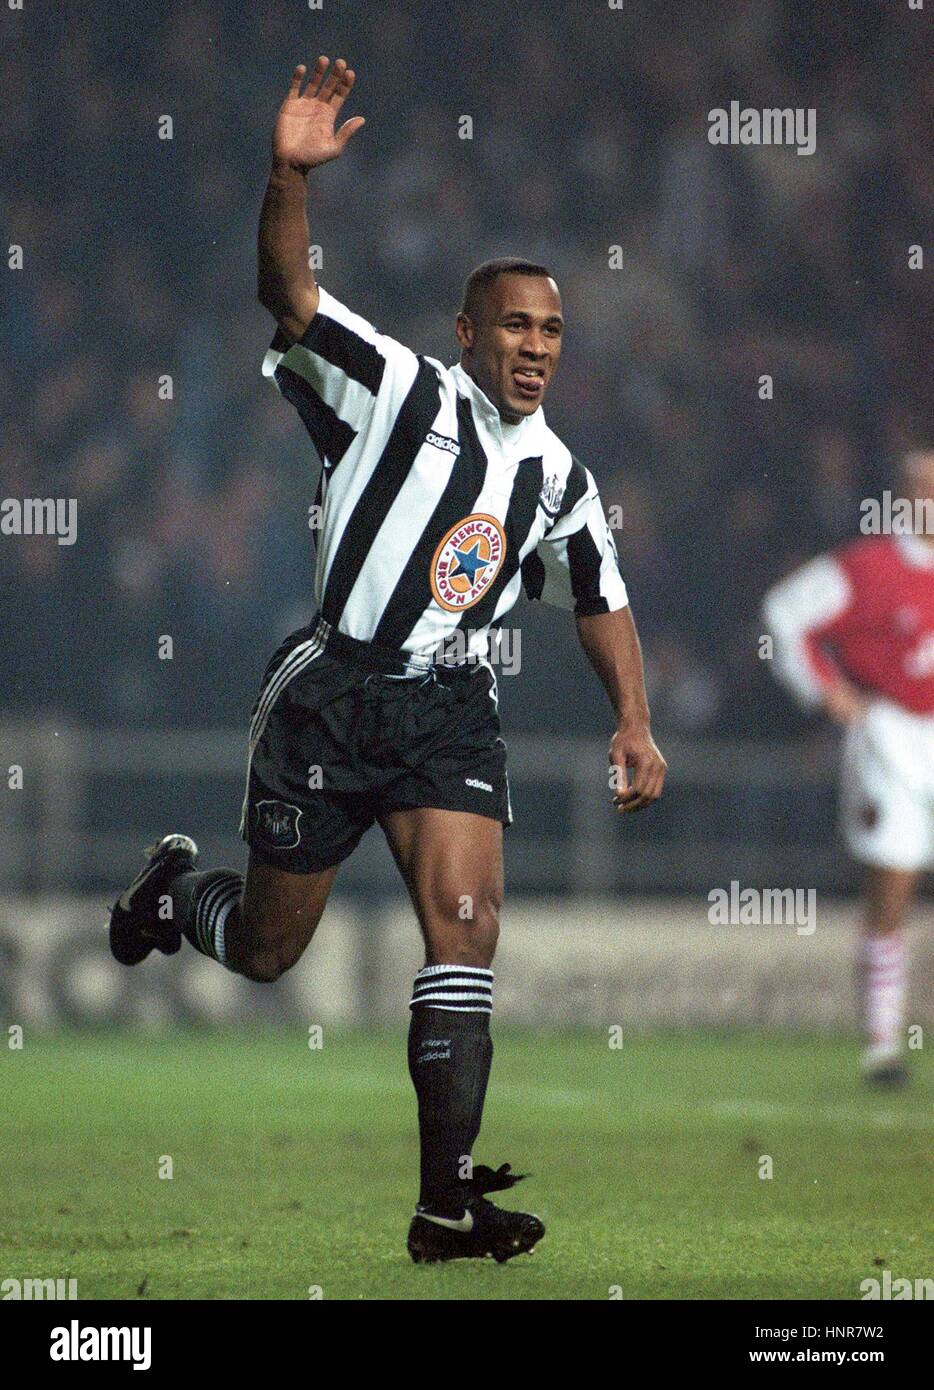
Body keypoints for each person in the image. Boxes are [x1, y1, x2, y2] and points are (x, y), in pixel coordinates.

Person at [109, 57, 667, 1261]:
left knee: (466, 931)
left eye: (553, 329)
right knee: (268, 951)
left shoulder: (561, 475)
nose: (536, 345)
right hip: (329, 697)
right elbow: (292, 296)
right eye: (515, 323)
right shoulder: (397, 387)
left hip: (449, 709)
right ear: (468, 332)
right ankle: (171, 898)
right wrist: (287, 179)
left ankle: (442, 1204)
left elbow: (600, 597)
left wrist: (632, 717)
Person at [763, 450, 934, 1086]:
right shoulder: (869, 567)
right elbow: (784, 613)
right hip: (892, 736)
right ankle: (882, 1045)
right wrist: (824, 689)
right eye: (921, 487)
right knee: (893, 886)